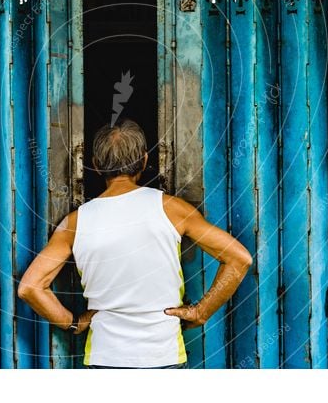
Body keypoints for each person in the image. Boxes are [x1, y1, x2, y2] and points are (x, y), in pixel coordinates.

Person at [17, 119, 253, 368]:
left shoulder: (74, 223)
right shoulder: (173, 209)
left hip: (105, 357)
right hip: (164, 356)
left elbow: (30, 287)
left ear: (96, 166)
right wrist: (200, 312)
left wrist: (72, 322)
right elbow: (239, 258)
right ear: (143, 160)